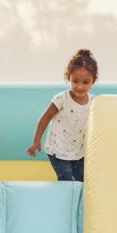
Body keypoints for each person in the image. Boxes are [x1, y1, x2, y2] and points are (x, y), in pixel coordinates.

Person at [26, 49, 99, 181]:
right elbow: (45, 118)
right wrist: (36, 140)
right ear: (68, 79)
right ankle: (64, 200)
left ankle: (78, 201)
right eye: (75, 81)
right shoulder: (62, 99)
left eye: (86, 82)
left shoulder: (94, 102)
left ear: (93, 81)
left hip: (78, 150)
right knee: (65, 179)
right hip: (58, 150)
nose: (80, 86)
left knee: (81, 179)